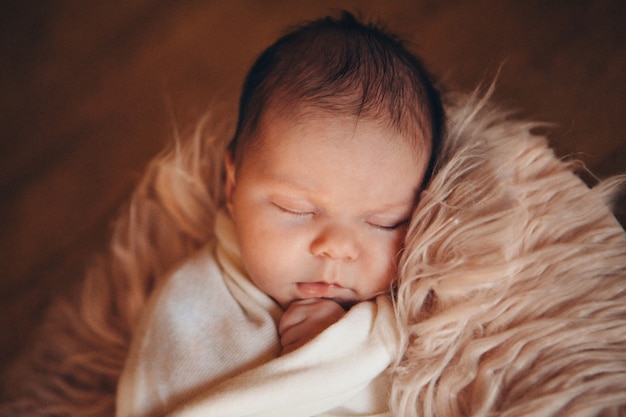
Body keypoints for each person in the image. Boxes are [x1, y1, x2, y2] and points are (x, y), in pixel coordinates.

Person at [116, 11, 444, 417]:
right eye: (297, 209)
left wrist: (333, 350)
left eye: (385, 221)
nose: (337, 249)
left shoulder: (415, 315)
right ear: (233, 186)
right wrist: (323, 363)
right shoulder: (190, 306)